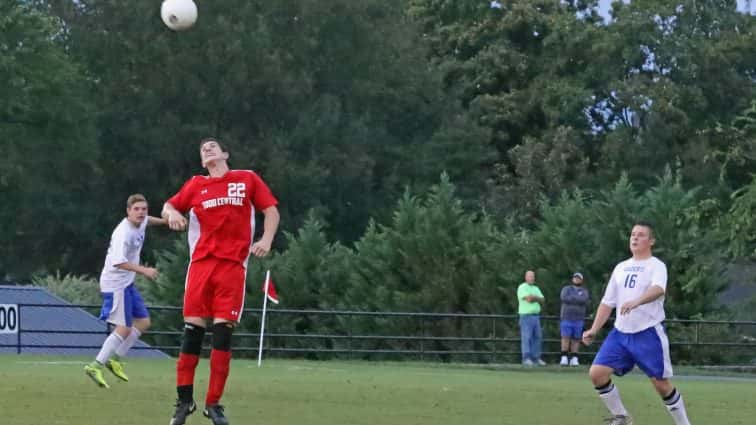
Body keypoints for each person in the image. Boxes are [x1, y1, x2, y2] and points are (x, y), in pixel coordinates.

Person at [162, 138, 280, 425]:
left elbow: (271, 211)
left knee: (223, 334)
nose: (208, 149)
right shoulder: (196, 184)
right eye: (203, 149)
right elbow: (168, 206)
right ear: (202, 162)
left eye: (213, 146)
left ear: (225, 153)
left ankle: (213, 404)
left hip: (231, 266)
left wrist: (265, 239)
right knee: (192, 332)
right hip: (201, 265)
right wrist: (173, 213)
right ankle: (184, 401)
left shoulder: (246, 178)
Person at [582, 221, 693, 425]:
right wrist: (594, 329)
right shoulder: (621, 267)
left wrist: (636, 301)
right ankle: (622, 417)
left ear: (651, 241)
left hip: (647, 333)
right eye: (633, 234)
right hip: (620, 333)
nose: (634, 238)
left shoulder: (656, 265)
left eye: (641, 235)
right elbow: (608, 302)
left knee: (661, 385)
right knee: (597, 374)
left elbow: (659, 289)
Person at [85, 194, 166, 388]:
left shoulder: (142, 221)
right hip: (115, 284)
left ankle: (116, 360)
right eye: (136, 209)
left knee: (143, 322)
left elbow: (149, 221)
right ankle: (95, 365)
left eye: (144, 209)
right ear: (128, 211)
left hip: (127, 283)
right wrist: (144, 270)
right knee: (124, 327)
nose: (141, 213)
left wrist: (167, 221)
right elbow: (118, 262)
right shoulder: (123, 233)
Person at [559, 271, 590, 366]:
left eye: (579, 278)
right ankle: (564, 357)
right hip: (566, 317)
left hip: (579, 318)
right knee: (565, 337)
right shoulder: (566, 289)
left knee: (576, 338)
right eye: (575, 278)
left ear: (581, 280)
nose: (577, 279)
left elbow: (584, 300)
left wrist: (573, 298)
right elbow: (564, 298)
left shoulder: (584, 291)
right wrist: (577, 299)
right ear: (572, 279)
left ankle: (574, 358)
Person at [517, 270, 546, 366]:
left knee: (537, 337)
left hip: (536, 316)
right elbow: (528, 299)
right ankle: (526, 358)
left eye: (533, 276)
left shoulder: (536, 288)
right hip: (526, 316)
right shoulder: (522, 287)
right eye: (530, 276)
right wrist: (535, 298)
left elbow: (542, 299)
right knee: (527, 337)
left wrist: (534, 297)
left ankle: (536, 358)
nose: (532, 278)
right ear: (525, 277)